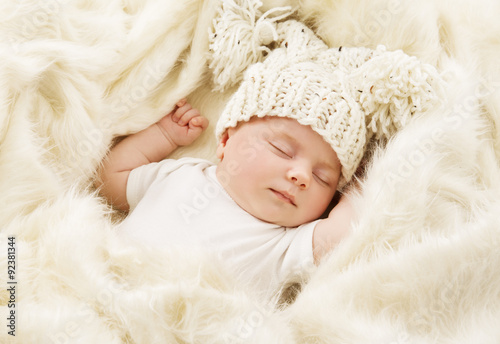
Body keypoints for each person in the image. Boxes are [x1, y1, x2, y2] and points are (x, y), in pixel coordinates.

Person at [97, 19, 442, 295]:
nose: (301, 176)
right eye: (282, 149)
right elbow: (109, 179)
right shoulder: (182, 173)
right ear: (227, 140)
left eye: (324, 178)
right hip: (104, 286)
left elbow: (341, 235)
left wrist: (365, 181)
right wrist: (163, 135)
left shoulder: (283, 245)